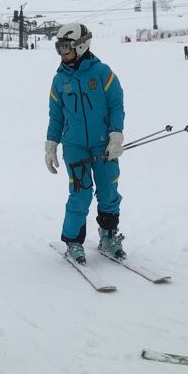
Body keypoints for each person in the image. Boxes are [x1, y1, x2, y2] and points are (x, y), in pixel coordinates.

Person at [45, 22, 126, 262]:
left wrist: (116, 133)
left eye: (66, 47)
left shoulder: (102, 73)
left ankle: (108, 236)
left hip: (104, 145)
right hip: (75, 146)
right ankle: (73, 242)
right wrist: (51, 144)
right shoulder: (59, 81)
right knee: (80, 193)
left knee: (108, 190)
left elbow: (116, 104)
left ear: (81, 46)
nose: (62, 53)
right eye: (59, 48)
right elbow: (56, 116)